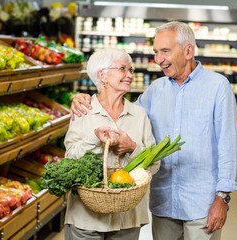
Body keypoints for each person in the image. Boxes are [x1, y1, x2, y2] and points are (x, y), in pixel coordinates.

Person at [70, 21, 237, 240]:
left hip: (202, 202)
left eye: (165, 51)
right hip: (163, 203)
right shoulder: (155, 90)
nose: (158, 59)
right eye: (156, 52)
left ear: (188, 51)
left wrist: (222, 198)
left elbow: (229, 146)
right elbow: (120, 113)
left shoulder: (218, 87)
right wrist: (87, 98)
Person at [63, 48, 157, 240]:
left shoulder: (139, 115)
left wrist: (132, 147)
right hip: (86, 219)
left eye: (130, 70)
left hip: (127, 219)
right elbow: (70, 158)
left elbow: (155, 165)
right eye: (123, 69)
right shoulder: (83, 111)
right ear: (102, 75)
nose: (129, 75)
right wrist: (94, 138)